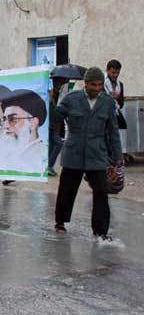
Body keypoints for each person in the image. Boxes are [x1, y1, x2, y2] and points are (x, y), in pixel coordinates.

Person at [54, 67, 122, 242]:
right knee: (67, 189)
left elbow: (113, 131)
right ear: (85, 83)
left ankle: (100, 231)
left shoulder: (107, 102)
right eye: (94, 85)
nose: (97, 88)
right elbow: (55, 117)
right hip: (73, 151)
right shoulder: (71, 99)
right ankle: (60, 222)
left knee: (101, 191)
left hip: (97, 153)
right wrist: (50, 97)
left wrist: (117, 156)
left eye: (100, 85)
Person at [0, 89, 47, 167]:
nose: (5, 126)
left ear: (33, 123)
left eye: (13, 119)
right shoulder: (7, 154)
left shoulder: (41, 157)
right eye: (4, 119)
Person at [104, 59, 127, 159]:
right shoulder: (102, 83)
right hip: (105, 116)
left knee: (116, 138)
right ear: (107, 70)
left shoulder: (120, 85)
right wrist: (110, 98)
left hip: (115, 114)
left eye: (117, 73)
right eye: (113, 72)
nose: (115, 75)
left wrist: (117, 98)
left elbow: (121, 104)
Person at [47, 78, 68, 176]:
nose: (59, 85)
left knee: (52, 145)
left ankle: (48, 166)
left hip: (55, 124)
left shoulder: (58, 94)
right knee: (58, 144)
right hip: (52, 125)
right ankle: (49, 166)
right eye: (58, 83)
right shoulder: (50, 94)